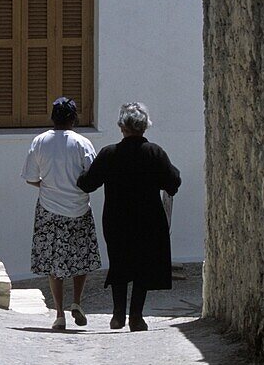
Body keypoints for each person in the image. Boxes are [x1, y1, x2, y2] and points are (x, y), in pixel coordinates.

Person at [77, 102, 180, 332]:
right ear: (144, 127)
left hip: (117, 220)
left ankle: (117, 316)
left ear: (122, 126)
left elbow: (88, 183)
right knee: (143, 265)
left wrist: (77, 173)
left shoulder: (109, 154)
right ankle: (136, 316)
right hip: (148, 220)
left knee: (120, 263)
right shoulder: (155, 153)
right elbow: (172, 183)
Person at [22, 97, 101, 330]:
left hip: (49, 209)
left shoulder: (39, 142)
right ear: (74, 119)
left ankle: (59, 313)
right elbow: (92, 178)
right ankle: (76, 301)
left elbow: (31, 178)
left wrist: (50, 186)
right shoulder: (83, 144)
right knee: (81, 258)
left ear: (52, 117)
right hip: (78, 208)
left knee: (54, 262)